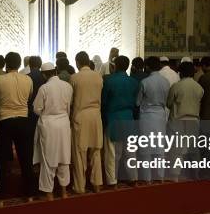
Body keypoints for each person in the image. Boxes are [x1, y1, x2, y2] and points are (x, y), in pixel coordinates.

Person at [0, 52, 35, 203]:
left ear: (6, 64)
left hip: (5, 120)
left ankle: (1, 196)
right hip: (23, 119)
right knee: (26, 158)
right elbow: (29, 98)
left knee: (1, 160)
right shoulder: (27, 79)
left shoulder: (0, 79)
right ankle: (29, 194)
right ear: (20, 64)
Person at [33, 63, 73, 200]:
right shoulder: (67, 86)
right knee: (64, 157)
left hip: (49, 125)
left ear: (44, 75)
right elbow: (68, 107)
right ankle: (63, 192)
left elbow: (36, 109)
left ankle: (49, 193)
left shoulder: (44, 88)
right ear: (56, 71)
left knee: (48, 159)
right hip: (64, 124)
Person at [102, 56, 139, 187]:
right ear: (128, 66)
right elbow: (136, 103)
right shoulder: (134, 82)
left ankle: (112, 181)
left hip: (113, 119)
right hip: (129, 118)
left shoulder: (109, 81)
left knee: (112, 153)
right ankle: (133, 178)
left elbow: (104, 102)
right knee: (130, 152)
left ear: (115, 66)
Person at [70, 51, 104, 193]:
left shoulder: (75, 77)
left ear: (77, 62)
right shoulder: (98, 77)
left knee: (79, 153)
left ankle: (80, 186)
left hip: (81, 116)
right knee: (96, 150)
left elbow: (71, 100)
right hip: (96, 115)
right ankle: (97, 184)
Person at [166, 61, 204, 181]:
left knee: (176, 149)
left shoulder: (176, 86)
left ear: (180, 72)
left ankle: (175, 175)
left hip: (178, 120)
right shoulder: (199, 87)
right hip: (193, 120)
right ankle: (195, 173)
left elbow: (168, 103)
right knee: (193, 149)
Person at [136, 56, 170, 183]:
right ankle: (160, 176)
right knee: (160, 147)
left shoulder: (145, 82)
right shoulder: (165, 81)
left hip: (147, 116)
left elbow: (137, 102)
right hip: (161, 115)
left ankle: (147, 178)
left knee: (146, 148)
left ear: (148, 67)